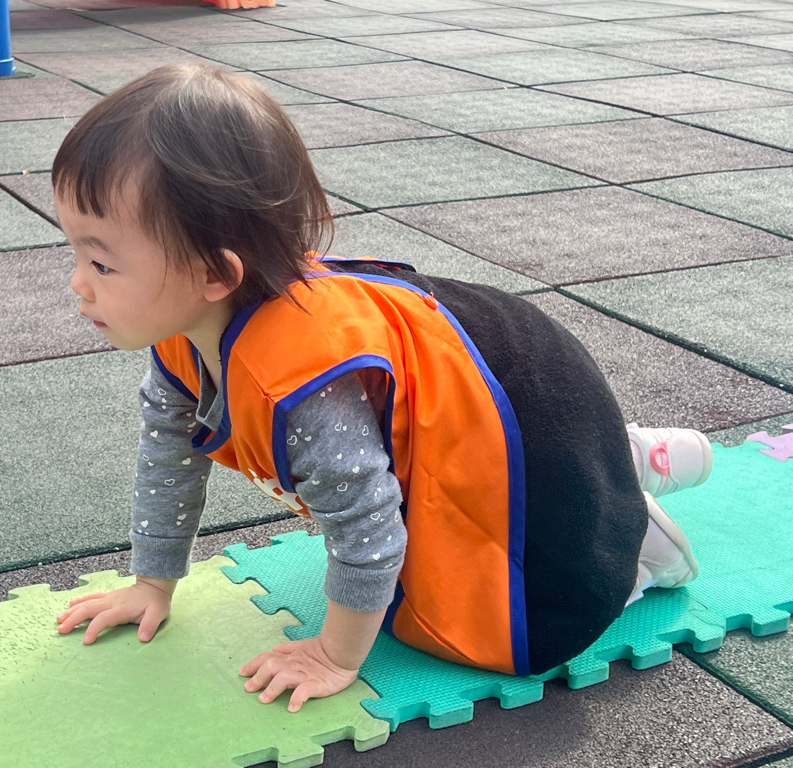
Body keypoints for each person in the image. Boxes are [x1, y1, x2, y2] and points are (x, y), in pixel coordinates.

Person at [52, 64, 712, 713]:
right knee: (482, 492)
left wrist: (335, 655)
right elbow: (167, 460)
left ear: (215, 275)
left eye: (102, 263)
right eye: (77, 253)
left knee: (517, 627)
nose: (78, 282)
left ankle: (629, 538)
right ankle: (624, 457)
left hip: (534, 408)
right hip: (523, 397)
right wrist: (152, 584)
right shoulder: (186, 339)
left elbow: (369, 533)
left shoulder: (303, 387)